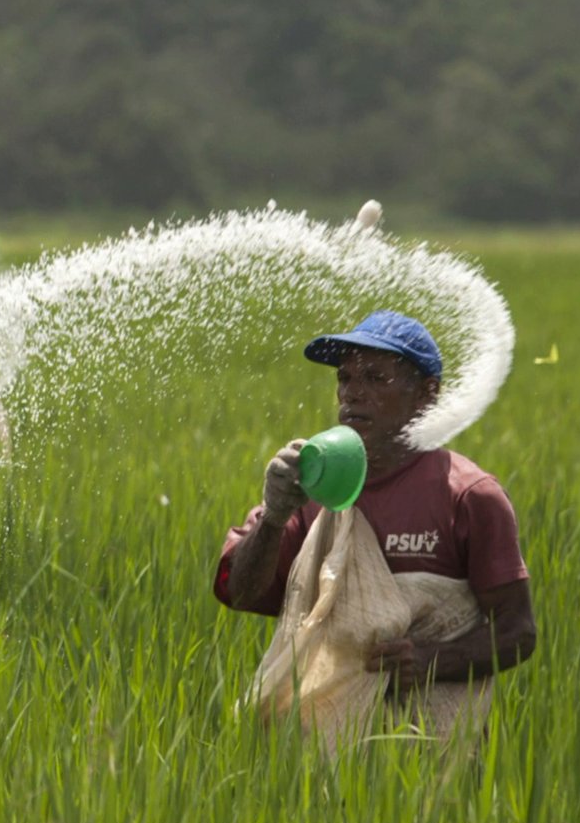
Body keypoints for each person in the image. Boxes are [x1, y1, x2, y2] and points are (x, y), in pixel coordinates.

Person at [215, 311, 535, 739]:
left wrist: (430, 661)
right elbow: (242, 592)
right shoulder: (311, 486)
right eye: (345, 378)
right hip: (319, 751)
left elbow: (517, 632)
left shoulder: (469, 496)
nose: (352, 393)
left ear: (426, 395)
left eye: (375, 378)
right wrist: (274, 516)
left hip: (434, 748)